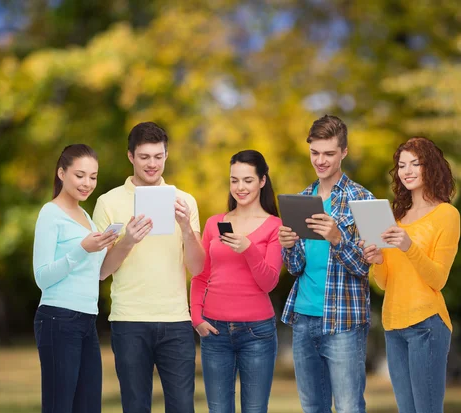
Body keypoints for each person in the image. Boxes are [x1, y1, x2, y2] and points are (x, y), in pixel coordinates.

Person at [92, 122, 205, 413]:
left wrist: (187, 229)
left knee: (182, 407)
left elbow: (198, 267)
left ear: (166, 155)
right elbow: (101, 270)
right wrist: (127, 241)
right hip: (129, 321)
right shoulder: (108, 202)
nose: (152, 164)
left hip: (176, 321)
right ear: (130, 156)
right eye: (144, 157)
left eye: (158, 156)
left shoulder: (185, 201)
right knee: (135, 407)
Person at [278, 115, 374, 413]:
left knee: (348, 407)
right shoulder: (303, 199)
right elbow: (296, 267)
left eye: (329, 154)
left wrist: (337, 239)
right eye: (315, 153)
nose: (320, 161)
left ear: (344, 152)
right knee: (312, 407)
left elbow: (367, 266)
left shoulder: (363, 199)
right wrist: (289, 246)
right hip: (303, 319)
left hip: (343, 322)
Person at [361, 136, 460, 413]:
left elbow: (438, 279)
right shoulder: (395, 217)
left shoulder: (446, 215)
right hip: (394, 327)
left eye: (415, 163)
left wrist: (408, 246)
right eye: (402, 165)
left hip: (426, 325)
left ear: (431, 167)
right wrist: (377, 260)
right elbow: (384, 282)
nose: (407, 170)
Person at [191, 150, 283, 413]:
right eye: (234, 180)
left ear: (262, 181)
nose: (240, 188)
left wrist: (248, 248)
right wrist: (196, 316)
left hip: (257, 334)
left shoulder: (275, 226)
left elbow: (269, 282)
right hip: (215, 332)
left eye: (247, 180)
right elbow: (200, 274)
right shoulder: (214, 223)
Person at [33, 144, 118, 413]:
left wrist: (122, 243)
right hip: (58, 319)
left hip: (87, 320)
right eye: (80, 175)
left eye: (93, 177)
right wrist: (82, 249)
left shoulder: (87, 218)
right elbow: (42, 277)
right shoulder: (50, 213)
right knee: (60, 406)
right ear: (61, 173)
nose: (87, 183)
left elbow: (99, 272)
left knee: (89, 406)